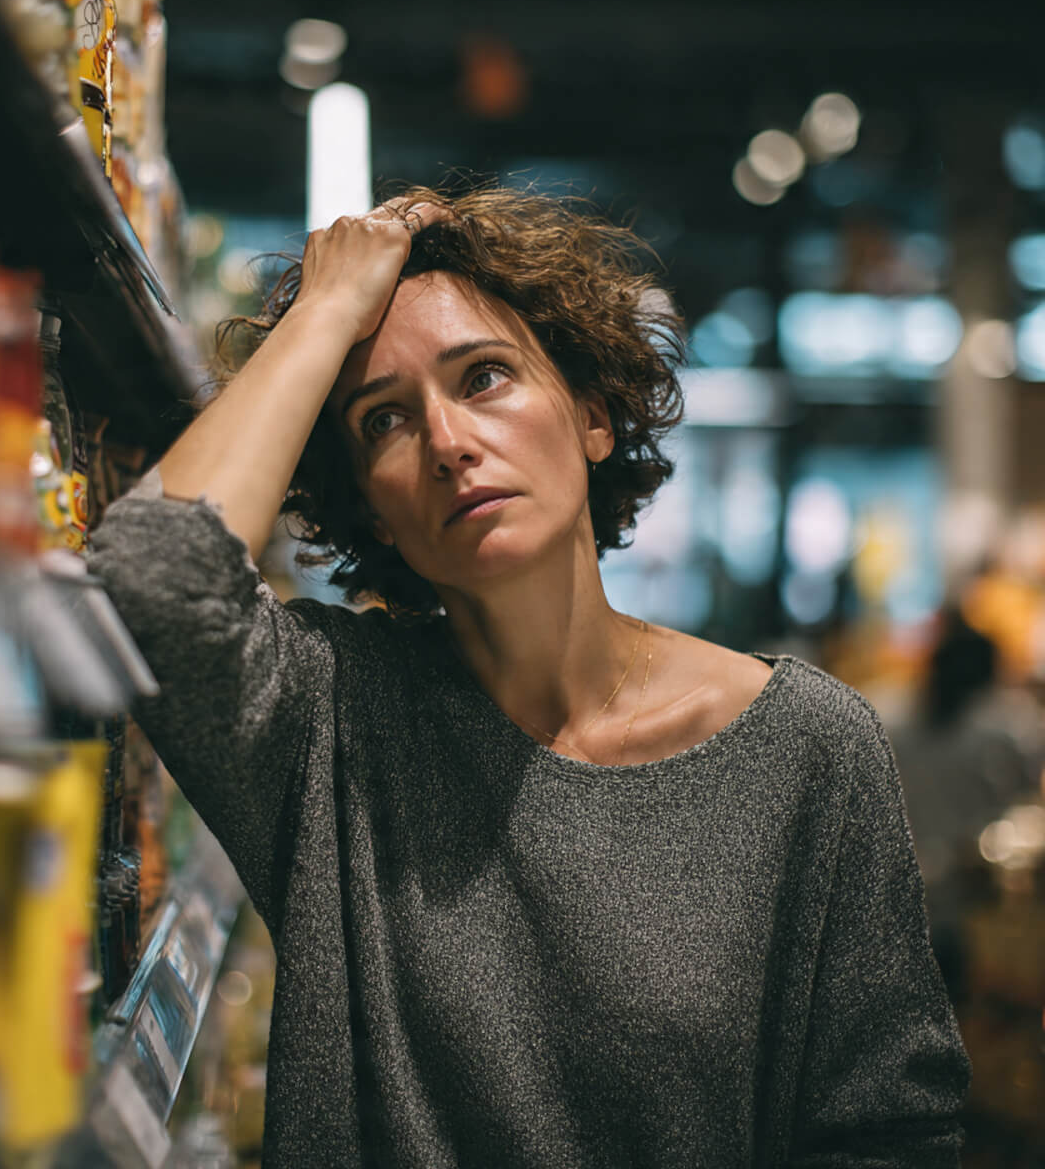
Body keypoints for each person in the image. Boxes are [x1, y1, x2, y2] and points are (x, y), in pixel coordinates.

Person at [89, 188, 970, 1167]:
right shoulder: (326, 719)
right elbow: (147, 579)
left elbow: (887, 1132)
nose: (449, 442)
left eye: (484, 377)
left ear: (592, 416)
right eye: (382, 420)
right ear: (371, 509)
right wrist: (322, 313)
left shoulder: (808, 748)